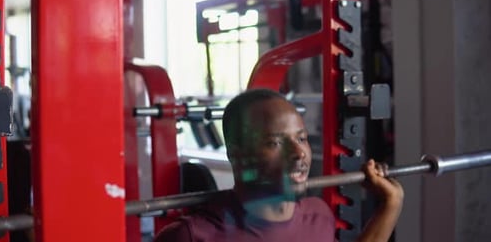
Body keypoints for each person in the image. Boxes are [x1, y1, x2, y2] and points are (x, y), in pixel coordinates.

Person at [155, 88, 403, 242]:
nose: (298, 153)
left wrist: (391, 204)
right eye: (275, 143)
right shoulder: (191, 236)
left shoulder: (318, 215)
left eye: (301, 138)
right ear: (237, 155)